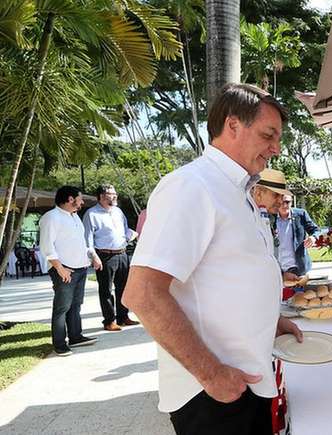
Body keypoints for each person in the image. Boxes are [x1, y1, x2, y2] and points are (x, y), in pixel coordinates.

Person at [122, 83, 303, 435]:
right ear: (232, 125)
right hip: (213, 393)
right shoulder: (192, 186)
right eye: (268, 135)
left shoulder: (239, 191)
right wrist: (211, 374)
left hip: (243, 382)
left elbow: (228, 278)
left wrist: (270, 321)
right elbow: (142, 294)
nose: (276, 148)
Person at [39, 186, 102, 356]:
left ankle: (75, 337)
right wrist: (60, 269)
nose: (82, 202)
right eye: (79, 199)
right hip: (64, 270)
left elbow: (80, 243)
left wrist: (93, 256)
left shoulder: (74, 217)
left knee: (76, 305)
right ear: (70, 199)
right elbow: (46, 247)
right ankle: (60, 344)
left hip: (80, 269)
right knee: (62, 308)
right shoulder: (51, 217)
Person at [83, 184, 139, 331]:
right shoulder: (91, 214)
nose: (115, 197)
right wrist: (94, 257)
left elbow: (125, 230)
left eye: (115, 194)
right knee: (106, 290)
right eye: (111, 194)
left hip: (122, 253)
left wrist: (131, 235)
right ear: (101, 196)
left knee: (123, 287)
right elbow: (87, 239)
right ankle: (109, 321)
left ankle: (123, 317)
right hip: (105, 256)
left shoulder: (118, 211)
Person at [274, 194, 319, 282]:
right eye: (282, 202)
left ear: (291, 202)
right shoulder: (271, 217)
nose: (284, 205)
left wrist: (313, 237)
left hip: (298, 269)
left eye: (287, 202)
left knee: (302, 291)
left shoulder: (301, 214)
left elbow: (316, 230)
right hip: (278, 269)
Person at [251, 168, 291, 258]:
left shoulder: (269, 217)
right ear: (258, 193)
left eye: (282, 196)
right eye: (276, 195)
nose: (281, 201)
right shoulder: (245, 219)